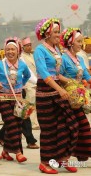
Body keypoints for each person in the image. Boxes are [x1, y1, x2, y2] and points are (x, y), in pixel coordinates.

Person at [34, 18, 78, 174]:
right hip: (45, 93)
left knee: (69, 125)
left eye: (59, 32)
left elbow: (58, 74)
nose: (58, 35)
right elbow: (45, 74)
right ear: (46, 33)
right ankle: (44, 163)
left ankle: (63, 159)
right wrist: (60, 89)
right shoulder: (40, 50)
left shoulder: (57, 49)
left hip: (58, 88)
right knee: (49, 130)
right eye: (55, 32)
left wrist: (74, 84)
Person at [0, 37, 30, 163]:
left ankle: (5, 151)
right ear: (4, 51)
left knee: (17, 124)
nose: (10, 52)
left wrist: (21, 85)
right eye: (8, 49)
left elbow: (27, 76)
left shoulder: (22, 64)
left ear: (18, 51)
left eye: (13, 49)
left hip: (17, 98)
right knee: (11, 123)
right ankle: (18, 152)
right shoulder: (0, 65)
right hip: (2, 98)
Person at [60, 27, 91, 161]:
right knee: (76, 127)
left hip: (78, 99)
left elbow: (87, 76)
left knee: (82, 126)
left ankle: (82, 155)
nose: (81, 44)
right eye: (78, 41)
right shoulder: (63, 58)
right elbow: (57, 75)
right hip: (67, 98)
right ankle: (66, 156)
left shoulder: (80, 59)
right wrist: (70, 82)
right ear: (71, 42)